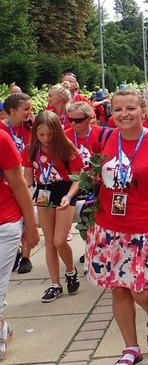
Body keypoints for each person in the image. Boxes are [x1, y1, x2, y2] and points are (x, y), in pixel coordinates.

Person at [83, 88, 148, 365]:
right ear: (111, 113)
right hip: (109, 227)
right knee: (119, 289)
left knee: (144, 291)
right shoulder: (107, 138)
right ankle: (130, 348)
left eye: (130, 109)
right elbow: (94, 173)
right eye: (118, 110)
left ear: (142, 110)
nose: (124, 115)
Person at [22, 111, 84, 303]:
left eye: (50, 134)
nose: (46, 139)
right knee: (49, 241)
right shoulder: (32, 149)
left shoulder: (66, 148)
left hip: (65, 192)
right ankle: (55, 284)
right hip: (43, 193)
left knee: (59, 240)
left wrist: (68, 196)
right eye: (41, 135)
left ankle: (71, 271)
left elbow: (78, 177)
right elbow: (27, 177)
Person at [0, 131, 40, 361]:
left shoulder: (1, 139)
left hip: (4, 222)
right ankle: (2, 327)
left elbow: (18, 183)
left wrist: (31, 225)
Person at [1, 93, 35, 274]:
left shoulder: (30, 127)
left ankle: (26, 256)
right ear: (12, 111)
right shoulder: (2, 131)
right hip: (9, 179)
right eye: (26, 109)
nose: (30, 112)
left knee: (25, 214)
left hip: (27, 176)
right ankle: (16, 251)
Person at [64, 102, 105, 169]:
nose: (73, 123)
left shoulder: (103, 134)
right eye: (70, 120)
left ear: (89, 119)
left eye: (78, 120)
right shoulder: (65, 135)